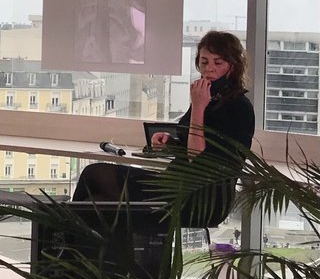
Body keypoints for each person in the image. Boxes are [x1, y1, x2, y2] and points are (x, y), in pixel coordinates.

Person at [73, 30, 256, 226]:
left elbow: (199, 157)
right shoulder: (210, 96)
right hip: (175, 183)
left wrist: (199, 106)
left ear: (232, 67)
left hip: (200, 197)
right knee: (97, 204)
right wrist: (170, 143)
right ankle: (70, 248)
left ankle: (61, 242)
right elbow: (191, 146)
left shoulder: (238, 106)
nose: (209, 69)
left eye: (218, 63)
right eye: (204, 62)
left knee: (94, 174)